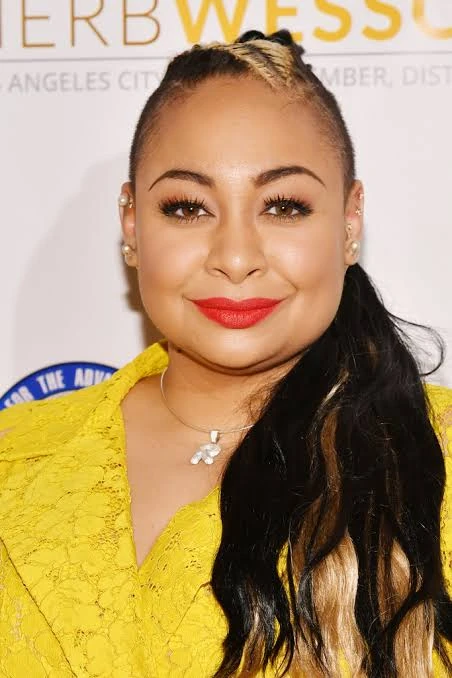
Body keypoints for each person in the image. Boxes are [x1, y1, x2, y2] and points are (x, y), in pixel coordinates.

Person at [0, 28, 451, 678]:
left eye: (284, 206)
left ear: (350, 222)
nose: (236, 258)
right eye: (188, 208)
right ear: (132, 223)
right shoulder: (15, 453)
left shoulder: (439, 457)